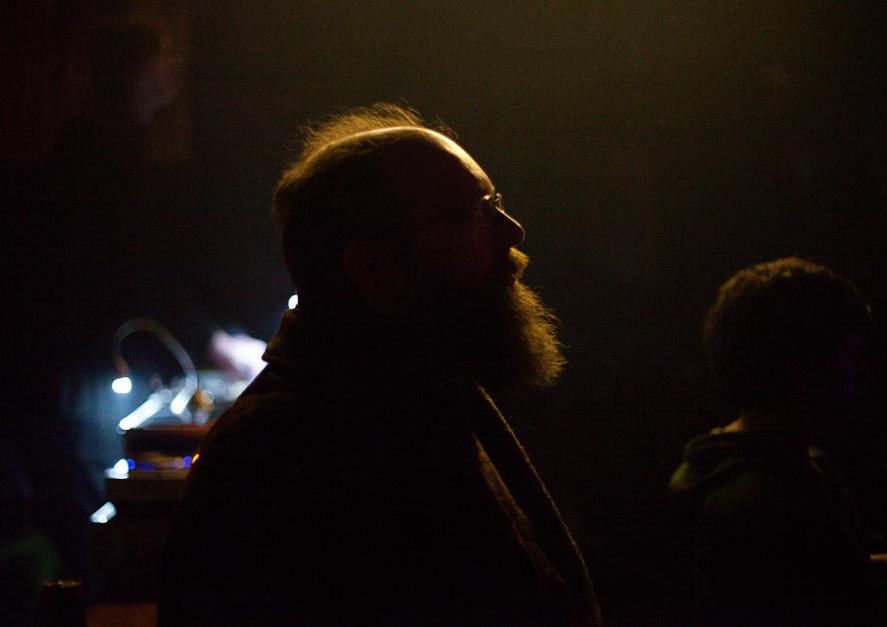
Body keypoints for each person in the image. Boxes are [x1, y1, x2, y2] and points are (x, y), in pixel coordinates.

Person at [158, 103, 602, 626]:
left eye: (495, 203)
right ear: (373, 268)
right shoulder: (279, 456)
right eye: (471, 214)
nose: (512, 231)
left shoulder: (422, 393)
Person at [669, 257, 887, 625]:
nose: (863, 374)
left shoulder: (794, 462)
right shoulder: (759, 507)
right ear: (800, 367)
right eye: (848, 353)